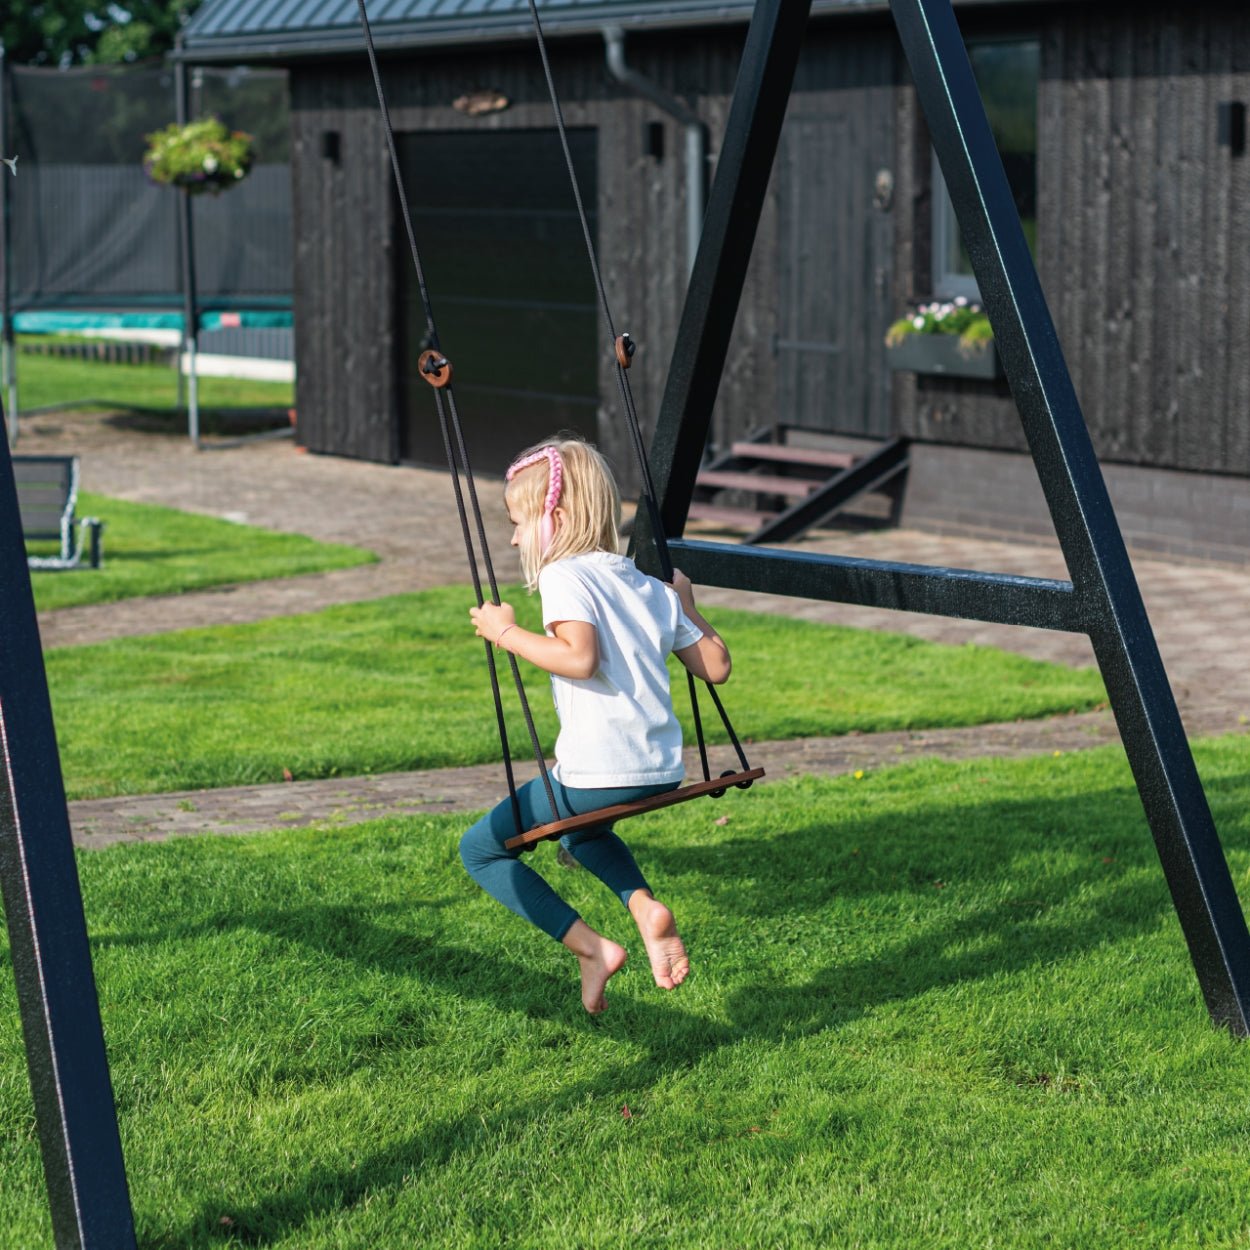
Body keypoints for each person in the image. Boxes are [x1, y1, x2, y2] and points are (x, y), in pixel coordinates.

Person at [461, 435, 732, 1014]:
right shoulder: (646, 585)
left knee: (481, 851)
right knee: (583, 832)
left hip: (594, 774)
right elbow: (717, 666)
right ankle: (644, 910)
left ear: (553, 516)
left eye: (517, 522)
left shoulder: (565, 576)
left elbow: (577, 657)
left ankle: (590, 949)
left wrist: (503, 632)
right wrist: (685, 606)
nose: (511, 537)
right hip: (659, 770)